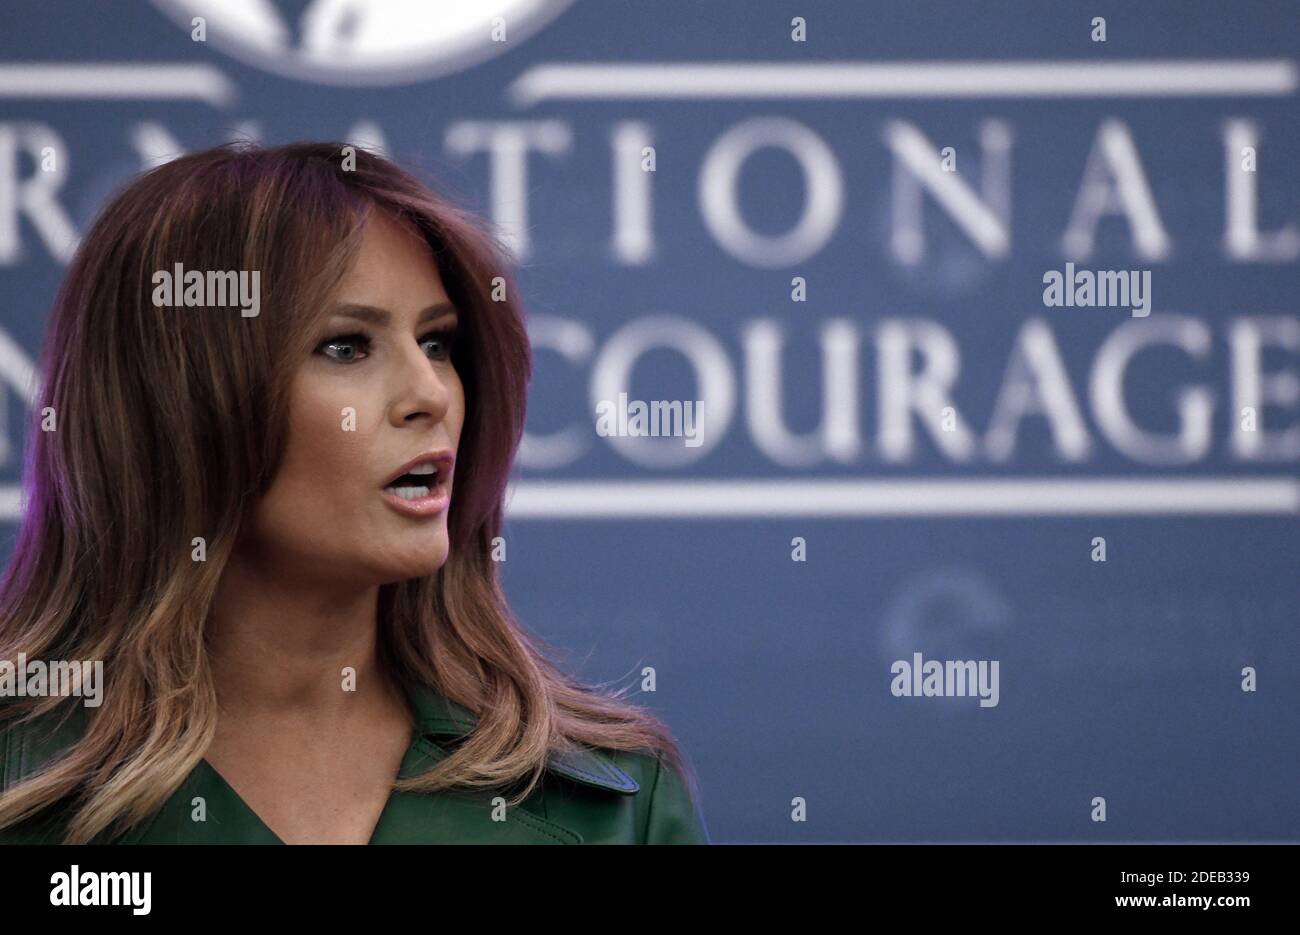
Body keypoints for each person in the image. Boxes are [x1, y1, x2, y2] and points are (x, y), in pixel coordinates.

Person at [0, 141, 708, 844]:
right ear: (177, 402)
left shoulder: (612, 804)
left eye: (437, 343)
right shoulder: (23, 790)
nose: (430, 393)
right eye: (347, 347)